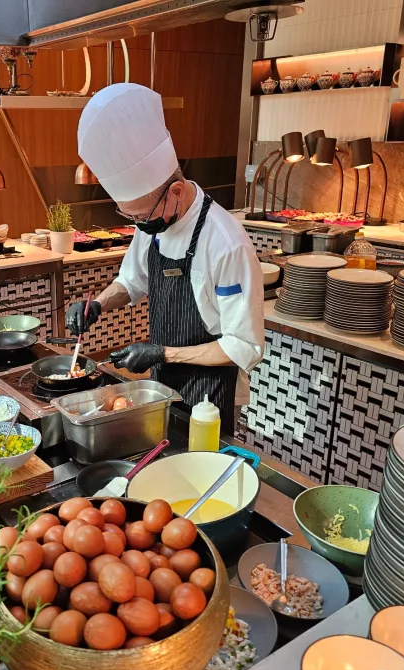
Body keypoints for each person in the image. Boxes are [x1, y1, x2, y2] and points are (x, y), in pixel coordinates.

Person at [67, 83, 265, 435]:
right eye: (132, 218)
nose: (141, 226)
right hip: (162, 385)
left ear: (175, 191)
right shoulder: (154, 223)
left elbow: (242, 345)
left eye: (142, 216)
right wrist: (96, 305)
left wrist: (161, 353)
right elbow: (131, 282)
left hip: (210, 392)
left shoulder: (226, 243)